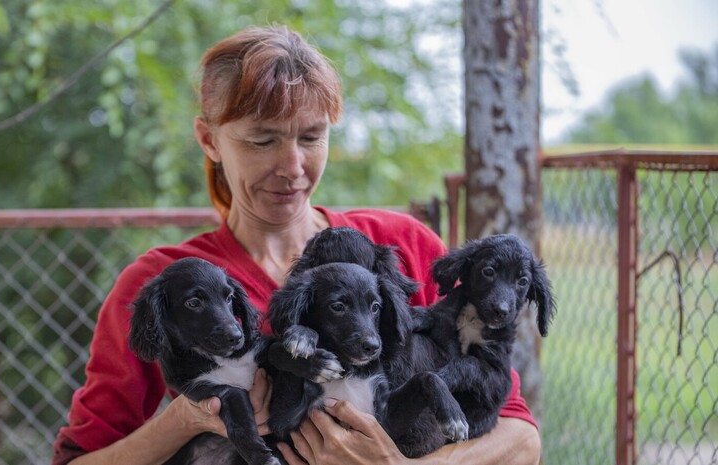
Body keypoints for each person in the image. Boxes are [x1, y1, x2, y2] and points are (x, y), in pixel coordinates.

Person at [51, 25, 541, 465]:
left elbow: (520, 437)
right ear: (209, 140)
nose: (292, 166)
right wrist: (187, 418)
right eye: (262, 141)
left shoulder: (403, 244)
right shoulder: (166, 284)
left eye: (311, 136)